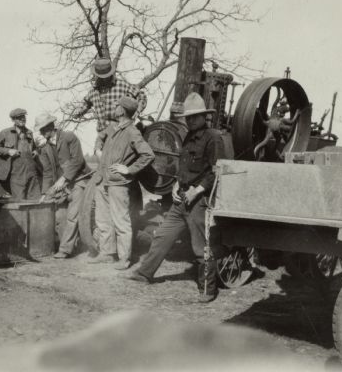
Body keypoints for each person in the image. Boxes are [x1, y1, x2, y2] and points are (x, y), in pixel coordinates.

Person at [125, 93, 224, 303]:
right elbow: (184, 167)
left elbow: (215, 172)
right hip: (181, 198)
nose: (190, 120)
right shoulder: (187, 137)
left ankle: (208, 289)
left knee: (200, 246)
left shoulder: (213, 138)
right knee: (162, 235)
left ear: (204, 117)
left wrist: (196, 191)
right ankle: (144, 274)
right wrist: (178, 185)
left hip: (200, 199)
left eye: (194, 117)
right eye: (188, 117)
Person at [89, 96, 155, 270]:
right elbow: (100, 137)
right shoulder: (113, 128)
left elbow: (148, 155)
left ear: (123, 110)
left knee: (121, 221)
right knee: (103, 220)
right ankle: (106, 253)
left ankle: (124, 258)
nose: (114, 106)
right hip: (103, 181)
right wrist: (98, 150)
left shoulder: (132, 131)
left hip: (118, 183)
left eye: (117, 104)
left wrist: (129, 170)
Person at [35, 113, 92, 259]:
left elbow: (77, 161)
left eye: (43, 129)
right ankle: (67, 244)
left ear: (51, 127)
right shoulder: (45, 149)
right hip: (62, 185)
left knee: (72, 216)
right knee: (60, 216)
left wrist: (64, 179)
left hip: (80, 180)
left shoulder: (69, 137)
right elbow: (47, 173)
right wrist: (44, 194)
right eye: (40, 130)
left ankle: (65, 250)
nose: (41, 132)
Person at [80, 58, 147, 134]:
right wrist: (79, 112)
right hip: (103, 135)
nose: (103, 79)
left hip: (121, 132)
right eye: (101, 76)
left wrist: (137, 111)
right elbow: (85, 103)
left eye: (105, 76)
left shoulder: (122, 85)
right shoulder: (94, 91)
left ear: (110, 74)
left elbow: (141, 96)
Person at [0, 108, 40, 200]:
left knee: (35, 200)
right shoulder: (5, 133)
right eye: (19, 118)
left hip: (31, 171)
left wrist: (36, 151)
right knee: (19, 201)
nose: (22, 119)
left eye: (23, 117)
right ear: (13, 120)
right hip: (16, 173)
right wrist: (8, 151)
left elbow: (34, 147)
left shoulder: (29, 133)